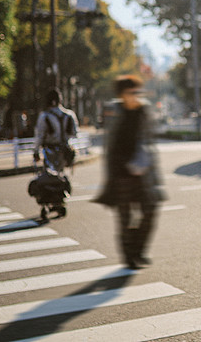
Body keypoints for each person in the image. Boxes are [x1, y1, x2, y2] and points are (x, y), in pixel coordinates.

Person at [95, 75, 162, 270]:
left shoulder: (143, 111)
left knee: (150, 210)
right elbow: (110, 147)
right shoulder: (115, 113)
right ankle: (129, 256)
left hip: (143, 173)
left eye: (137, 92)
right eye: (131, 92)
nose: (135, 96)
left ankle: (139, 250)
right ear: (121, 95)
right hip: (122, 175)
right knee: (125, 218)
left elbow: (149, 141)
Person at [33, 88, 79, 217]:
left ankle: (48, 201)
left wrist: (36, 151)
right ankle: (60, 201)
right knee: (61, 175)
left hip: (50, 150)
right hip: (65, 151)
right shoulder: (69, 115)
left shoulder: (45, 116)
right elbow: (74, 134)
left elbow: (40, 135)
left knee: (49, 176)